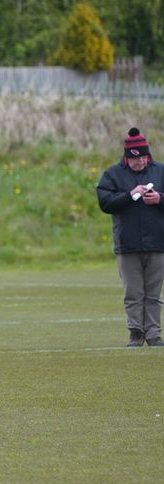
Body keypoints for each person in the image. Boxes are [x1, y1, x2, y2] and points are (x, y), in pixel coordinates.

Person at [96, 127, 164, 347]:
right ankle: (136, 333)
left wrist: (160, 199)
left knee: (153, 294)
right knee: (133, 293)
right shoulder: (113, 175)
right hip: (128, 244)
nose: (141, 162)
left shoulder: (160, 171)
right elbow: (105, 203)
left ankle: (154, 335)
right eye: (136, 159)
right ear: (127, 158)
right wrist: (130, 195)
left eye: (144, 158)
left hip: (157, 242)